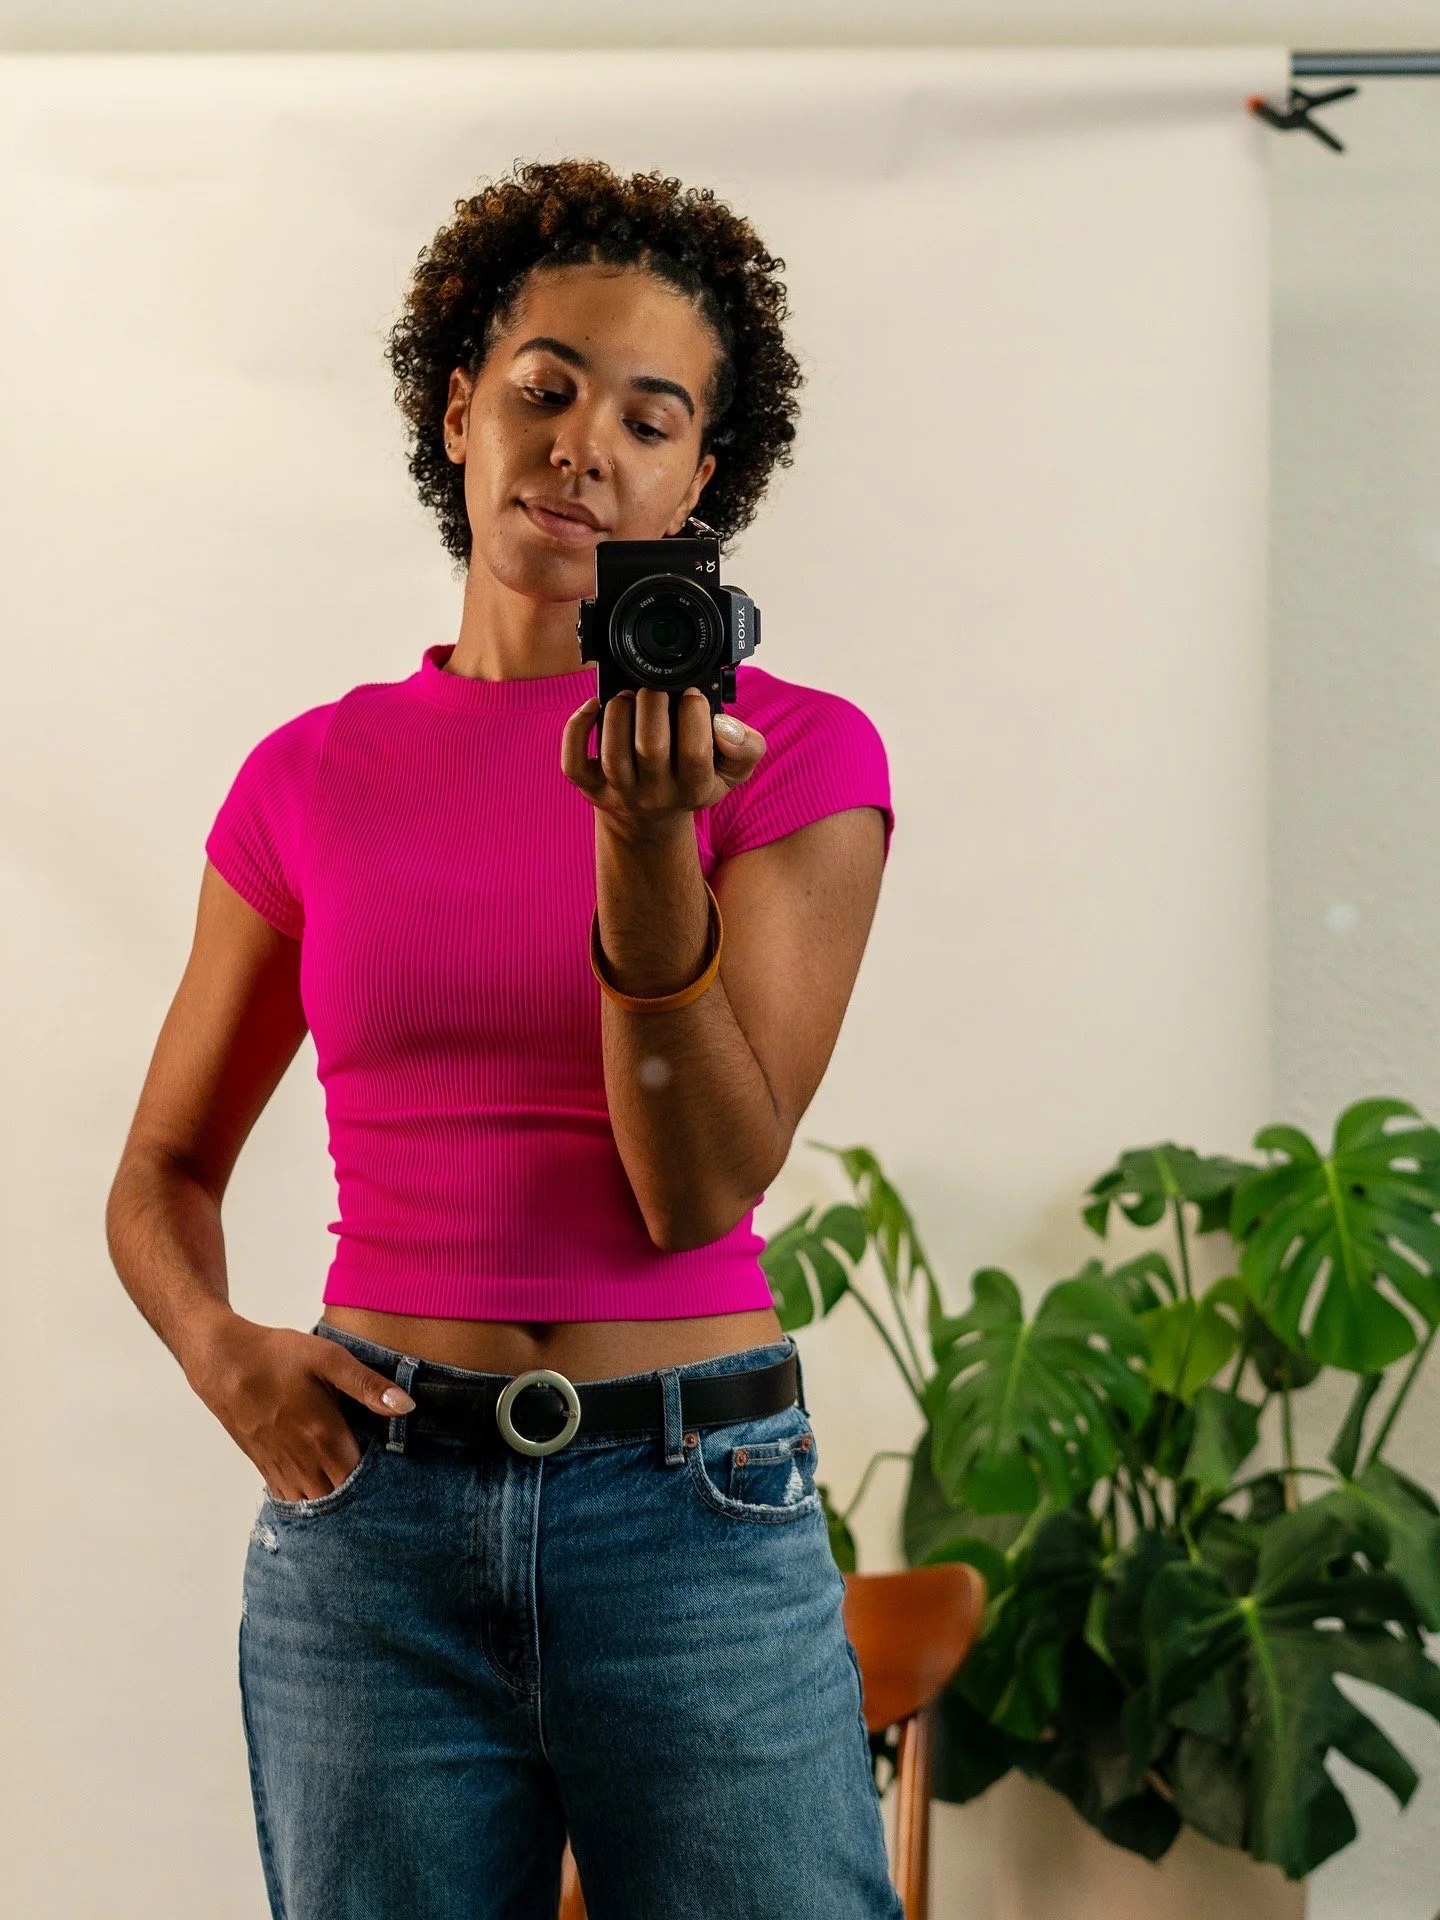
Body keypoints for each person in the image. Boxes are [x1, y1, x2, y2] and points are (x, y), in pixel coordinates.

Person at [106, 158, 899, 1920]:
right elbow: (160, 1169)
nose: (583, 444)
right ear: (458, 406)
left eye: (650, 414)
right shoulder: (309, 775)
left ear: (704, 479)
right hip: (373, 1536)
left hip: (693, 1506)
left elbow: (697, 1186)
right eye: (544, 387)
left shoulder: (794, 756)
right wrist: (221, 1352)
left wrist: (641, 842)